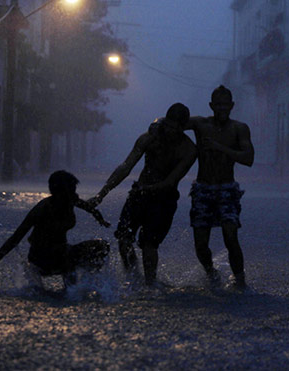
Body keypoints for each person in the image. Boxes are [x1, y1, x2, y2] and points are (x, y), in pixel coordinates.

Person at [88, 103, 197, 286]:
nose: (170, 131)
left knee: (149, 245)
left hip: (164, 199)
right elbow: (126, 167)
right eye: (168, 125)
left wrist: (148, 189)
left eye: (175, 128)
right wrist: (102, 194)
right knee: (123, 240)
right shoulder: (150, 138)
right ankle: (133, 278)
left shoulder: (188, 150)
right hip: (139, 194)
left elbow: (171, 181)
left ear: (183, 127)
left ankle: (149, 284)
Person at [0, 170, 111, 288]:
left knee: (101, 246)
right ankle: (70, 293)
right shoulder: (42, 209)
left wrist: (101, 219)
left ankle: (88, 285)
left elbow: (89, 208)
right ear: (58, 192)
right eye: (72, 190)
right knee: (67, 256)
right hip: (41, 258)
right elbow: (15, 239)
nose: (75, 194)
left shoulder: (70, 200)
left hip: (62, 252)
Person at [185, 85, 254, 288]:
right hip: (203, 188)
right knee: (200, 244)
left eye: (226, 105)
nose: (222, 108)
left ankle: (240, 282)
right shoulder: (200, 123)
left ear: (232, 106)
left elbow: (248, 158)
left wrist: (220, 147)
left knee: (230, 237)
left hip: (227, 188)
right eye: (218, 105)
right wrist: (156, 124)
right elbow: (172, 122)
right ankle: (211, 273)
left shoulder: (239, 128)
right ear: (211, 105)